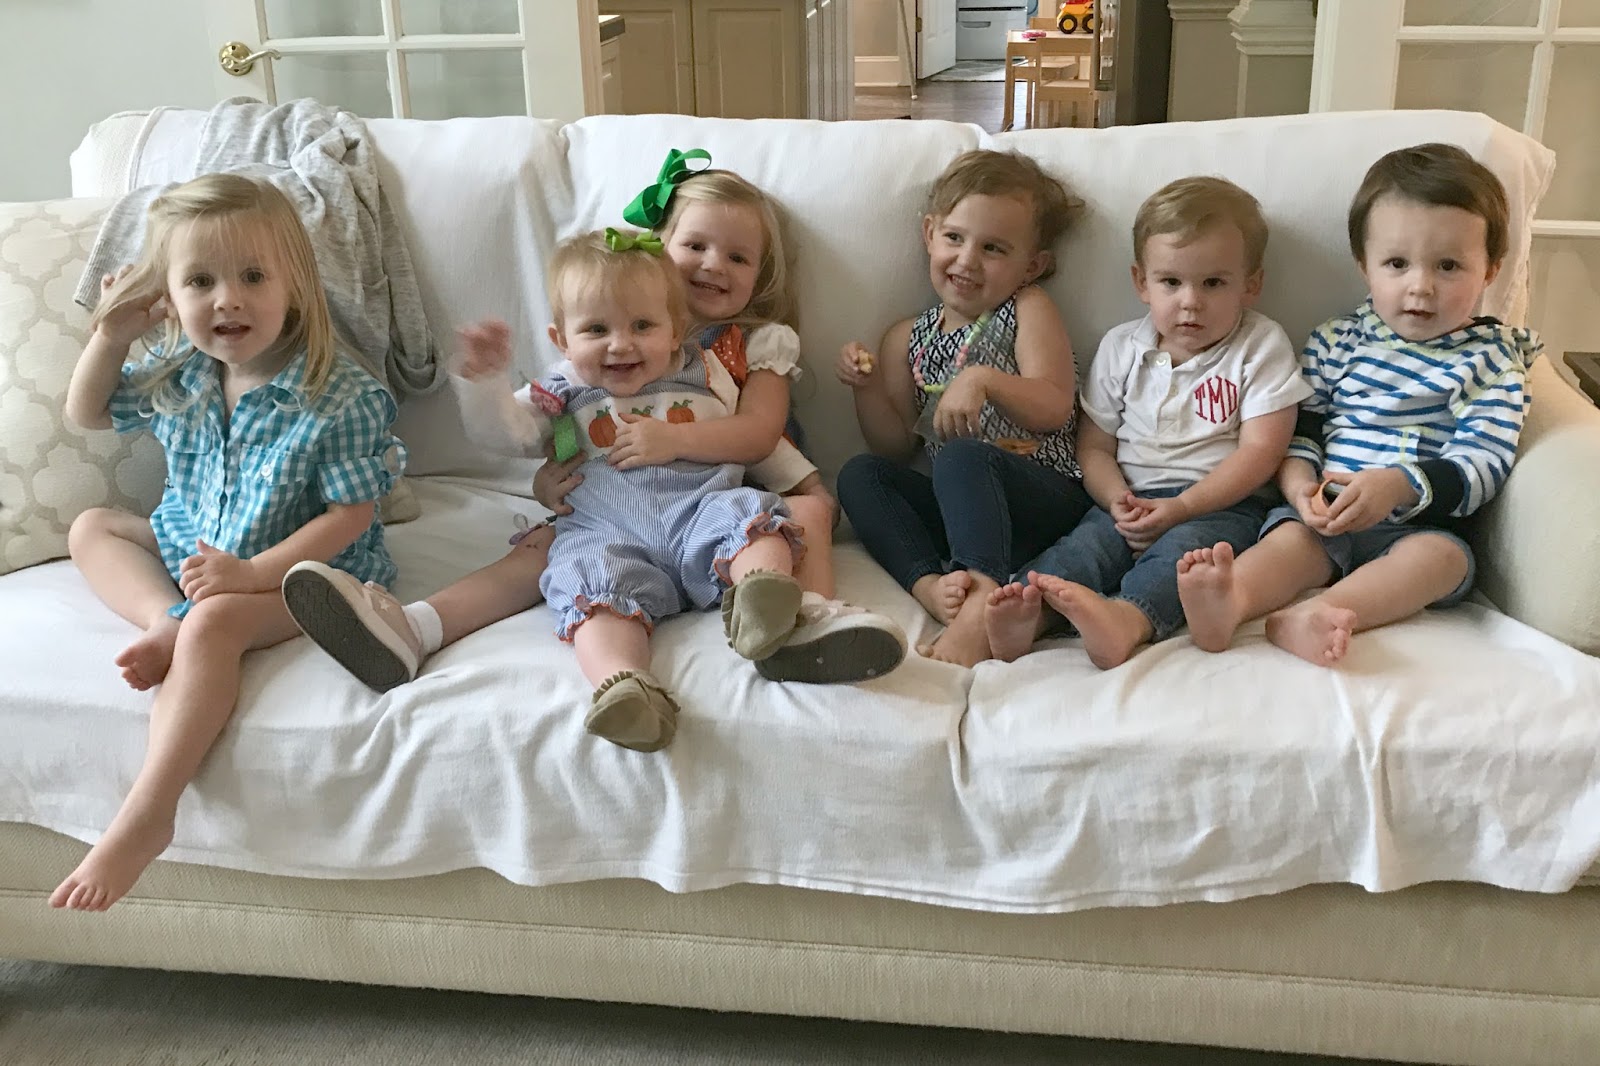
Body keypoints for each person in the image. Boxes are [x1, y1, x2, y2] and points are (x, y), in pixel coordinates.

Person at [283, 152, 905, 692]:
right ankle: (417, 628)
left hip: (711, 500)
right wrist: (491, 391)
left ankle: (795, 620)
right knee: (550, 554)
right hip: (605, 517)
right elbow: (518, 431)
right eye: (695, 246)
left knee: (768, 519)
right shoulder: (577, 370)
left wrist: (682, 443)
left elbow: (758, 437)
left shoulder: (730, 356)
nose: (713, 264)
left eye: (737, 256)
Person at [52, 174, 405, 911]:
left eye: (252, 277)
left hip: (304, 572)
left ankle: (148, 814)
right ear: (170, 297)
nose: (227, 300)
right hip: (199, 552)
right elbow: (87, 412)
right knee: (93, 527)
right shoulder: (180, 374)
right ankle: (163, 619)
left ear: (294, 284)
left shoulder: (339, 394)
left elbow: (348, 516)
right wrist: (112, 335)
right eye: (200, 282)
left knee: (214, 620)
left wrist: (250, 574)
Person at [397, 229, 806, 752]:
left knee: (751, 515)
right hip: (607, 533)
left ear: (676, 330)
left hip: (700, 511)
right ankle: (625, 685)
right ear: (562, 341)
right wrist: (486, 383)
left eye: (642, 325)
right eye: (596, 329)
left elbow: (750, 438)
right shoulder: (560, 393)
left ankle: (761, 597)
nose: (620, 344)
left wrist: (804, 482)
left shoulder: (707, 373)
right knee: (589, 582)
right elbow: (506, 436)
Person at [1175, 143, 1542, 666]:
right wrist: (1299, 488)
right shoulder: (1337, 340)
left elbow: (1484, 462)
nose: (1421, 287)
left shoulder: (1492, 359)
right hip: (1325, 512)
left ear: (1490, 270)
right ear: (1365, 266)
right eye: (1397, 263)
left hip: (1418, 527)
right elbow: (1303, 431)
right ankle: (1230, 601)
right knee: (1289, 540)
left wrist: (1399, 484)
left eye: (1448, 266)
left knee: (1443, 561)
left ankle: (1318, 612)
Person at [983, 176, 1309, 669]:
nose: (1190, 301)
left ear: (1251, 284)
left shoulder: (1259, 346)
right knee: (1082, 549)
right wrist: (1116, 499)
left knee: (1186, 560)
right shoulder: (1122, 347)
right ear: (1141, 282)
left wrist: (1183, 507)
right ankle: (1035, 614)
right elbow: (1094, 446)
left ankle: (1127, 620)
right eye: (1171, 282)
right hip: (1129, 500)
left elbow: (1262, 452)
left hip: (1219, 506)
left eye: (1214, 283)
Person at [835, 149, 1092, 668]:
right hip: (962, 514)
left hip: (1043, 500)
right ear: (929, 234)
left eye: (993, 248)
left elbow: (1054, 405)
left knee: (962, 455)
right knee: (861, 474)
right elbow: (894, 445)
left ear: (1031, 266)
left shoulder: (1026, 308)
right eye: (955, 237)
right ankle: (930, 585)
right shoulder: (906, 338)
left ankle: (980, 601)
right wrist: (864, 388)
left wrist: (982, 380)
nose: (968, 260)